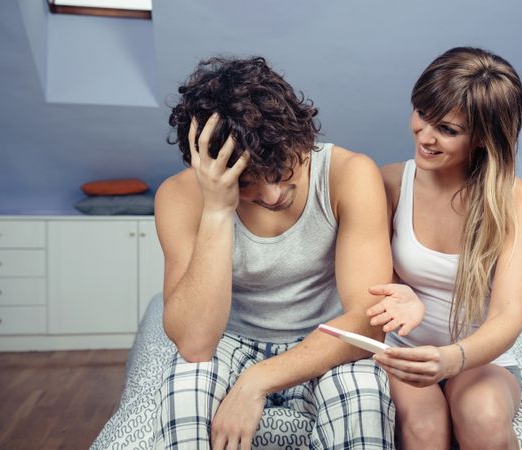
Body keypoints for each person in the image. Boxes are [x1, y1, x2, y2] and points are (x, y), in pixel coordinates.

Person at [152, 56, 395, 450]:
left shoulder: (349, 174)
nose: (271, 195)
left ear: (300, 137)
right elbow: (194, 343)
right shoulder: (180, 197)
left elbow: (369, 324)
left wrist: (258, 380)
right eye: (245, 182)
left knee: (364, 389)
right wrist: (217, 209)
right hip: (229, 340)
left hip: (326, 338)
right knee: (185, 382)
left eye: (281, 168)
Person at [367, 47, 522, 450]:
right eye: (422, 114)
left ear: (484, 136)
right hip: (403, 351)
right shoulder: (390, 182)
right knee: (426, 427)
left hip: (481, 357)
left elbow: (507, 316)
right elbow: (369, 281)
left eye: (447, 129)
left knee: (481, 417)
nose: (424, 136)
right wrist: (402, 291)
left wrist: (451, 359)